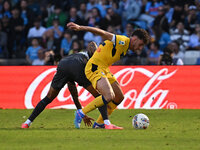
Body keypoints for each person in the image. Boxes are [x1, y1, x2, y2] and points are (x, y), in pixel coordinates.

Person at [67, 22, 150, 129]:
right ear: (135, 39)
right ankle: (80, 113)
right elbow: (103, 33)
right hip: (94, 67)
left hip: (104, 68)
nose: (140, 48)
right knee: (109, 96)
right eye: (140, 45)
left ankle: (100, 123)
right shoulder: (122, 41)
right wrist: (80, 27)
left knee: (119, 97)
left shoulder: (126, 48)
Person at [21, 42, 108, 128]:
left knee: (48, 98)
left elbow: (73, 93)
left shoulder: (78, 55)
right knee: (98, 96)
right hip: (78, 66)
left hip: (63, 64)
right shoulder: (88, 59)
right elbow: (92, 44)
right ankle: (106, 123)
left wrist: (80, 112)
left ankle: (27, 122)